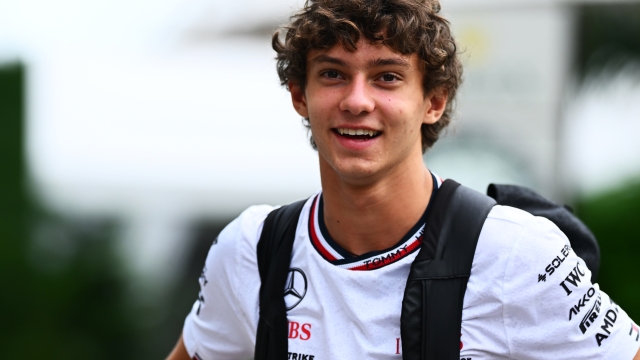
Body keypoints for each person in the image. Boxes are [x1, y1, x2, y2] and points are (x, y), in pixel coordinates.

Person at [168, 0, 640, 358]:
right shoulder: (252, 249)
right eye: (333, 74)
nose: (356, 101)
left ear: (433, 100)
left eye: (387, 77)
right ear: (299, 96)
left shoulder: (514, 252)